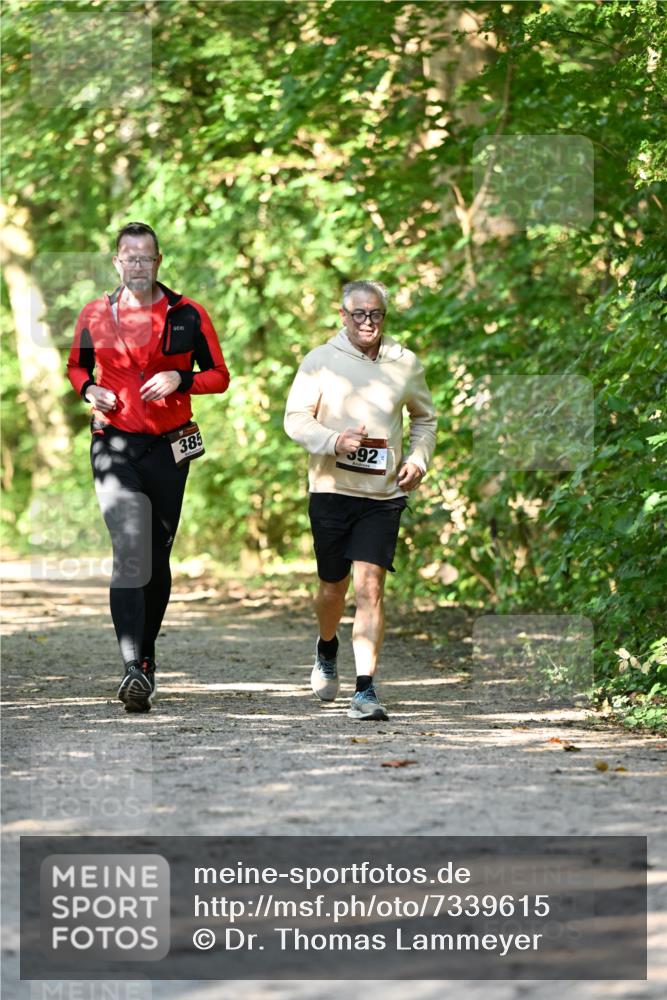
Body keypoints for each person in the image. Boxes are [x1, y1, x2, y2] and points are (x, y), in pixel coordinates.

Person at [67, 222, 230, 712]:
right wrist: (89, 390)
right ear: (117, 262)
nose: (138, 264)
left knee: (157, 557)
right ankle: (131, 666)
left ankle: (146, 657)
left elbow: (219, 377)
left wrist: (180, 379)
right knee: (130, 547)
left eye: (146, 257)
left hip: (168, 447)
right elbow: (77, 366)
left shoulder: (188, 314)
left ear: (159, 261)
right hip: (112, 443)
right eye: (129, 257)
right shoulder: (95, 312)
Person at [284, 280, 436, 721]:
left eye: (376, 314)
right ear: (343, 315)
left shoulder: (404, 362)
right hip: (331, 491)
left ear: (384, 316)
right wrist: (333, 441)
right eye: (359, 315)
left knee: (370, 588)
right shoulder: (319, 362)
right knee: (334, 588)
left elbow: (424, 418)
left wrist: (419, 459)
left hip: (383, 494)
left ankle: (365, 689)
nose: (368, 322)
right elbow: (295, 419)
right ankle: (326, 646)